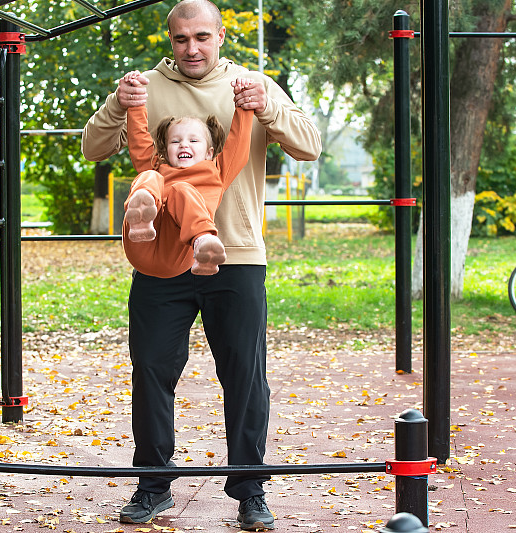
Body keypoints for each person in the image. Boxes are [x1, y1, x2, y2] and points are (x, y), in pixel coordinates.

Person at [81, 0, 321, 529]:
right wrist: (118, 108)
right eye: (181, 39)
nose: (192, 48)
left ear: (220, 35)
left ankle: (251, 491)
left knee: (244, 378)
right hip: (163, 260)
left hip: (235, 258)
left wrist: (270, 108)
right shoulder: (143, 85)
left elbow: (309, 147)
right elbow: (94, 148)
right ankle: (152, 486)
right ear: (170, 40)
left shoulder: (251, 84)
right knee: (151, 371)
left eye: (202, 37)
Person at [121, 72, 255, 277]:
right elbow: (139, 140)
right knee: (148, 177)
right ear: (166, 151)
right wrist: (135, 103)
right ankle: (141, 215)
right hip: (141, 244)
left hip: (181, 250)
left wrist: (244, 104)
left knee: (181, 190)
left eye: (194, 141)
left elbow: (239, 144)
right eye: (175, 141)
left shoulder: (217, 171)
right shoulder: (158, 167)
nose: (184, 144)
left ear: (210, 152)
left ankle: (203, 241)